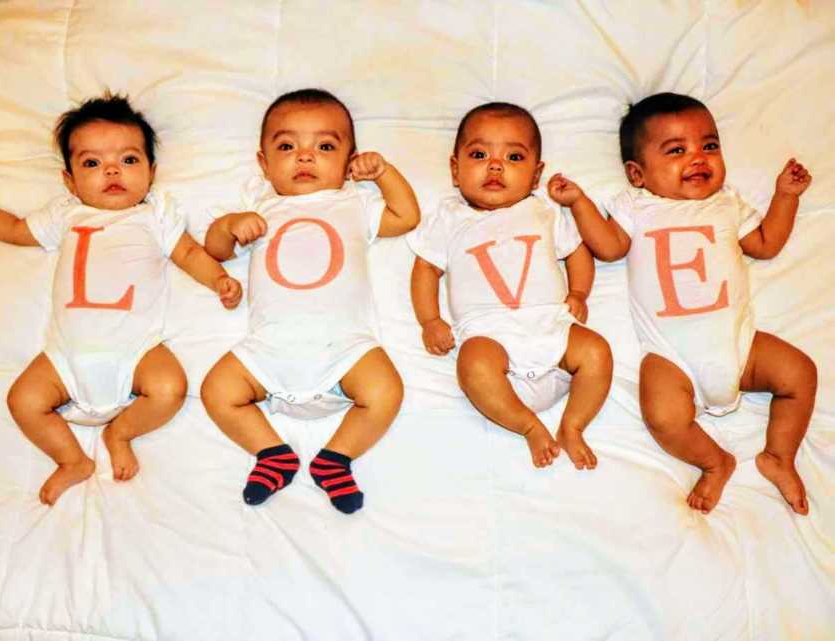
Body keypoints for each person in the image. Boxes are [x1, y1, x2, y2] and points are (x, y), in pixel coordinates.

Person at [0, 94, 241, 506]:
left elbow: (189, 254)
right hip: (65, 356)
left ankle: (120, 432)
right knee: (23, 401)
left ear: (152, 172)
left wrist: (219, 279)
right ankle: (72, 460)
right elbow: (12, 229)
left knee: (169, 388)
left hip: (136, 352)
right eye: (92, 163)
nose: (112, 170)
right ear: (69, 180)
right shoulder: (65, 215)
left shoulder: (154, 217)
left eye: (129, 160)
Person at [566, 92, 816, 514]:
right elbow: (608, 249)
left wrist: (785, 196)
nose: (698, 158)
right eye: (677, 150)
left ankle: (779, 455)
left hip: (741, 345)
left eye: (709, 146)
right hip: (672, 356)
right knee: (663, 417)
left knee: (800, 374)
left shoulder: (727, 204)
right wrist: (579, 205)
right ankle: (714, 461)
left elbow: (767, 244)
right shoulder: (638, 207)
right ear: (637, 174)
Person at [200, 89, 420, 514]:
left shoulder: (353, 202)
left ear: (349, 161)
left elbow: (406, 217)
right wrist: (230, 225)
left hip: (345, 347)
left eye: (324, 147)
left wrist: (384, 173)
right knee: (217, 390)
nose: (304, 157)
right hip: (269, 347)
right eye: (286, 146)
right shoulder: (260, 202)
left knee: (386, 390)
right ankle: (271, 453)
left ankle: (336, 458)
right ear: (263, 163)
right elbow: (216, 249)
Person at [408, 102, 612, 470]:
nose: (495, 165)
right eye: (479, 154)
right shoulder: (449, 217)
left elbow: (577, 250)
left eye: (514, 156)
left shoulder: (545, 211)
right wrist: (429, 320)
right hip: (491, 339)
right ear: (455, 169)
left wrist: (578, 292)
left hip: (552, 329)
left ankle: (573, 425)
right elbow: (425, 268)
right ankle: (528, 425)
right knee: (473, 364)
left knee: (597, 351)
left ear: (536, 175)